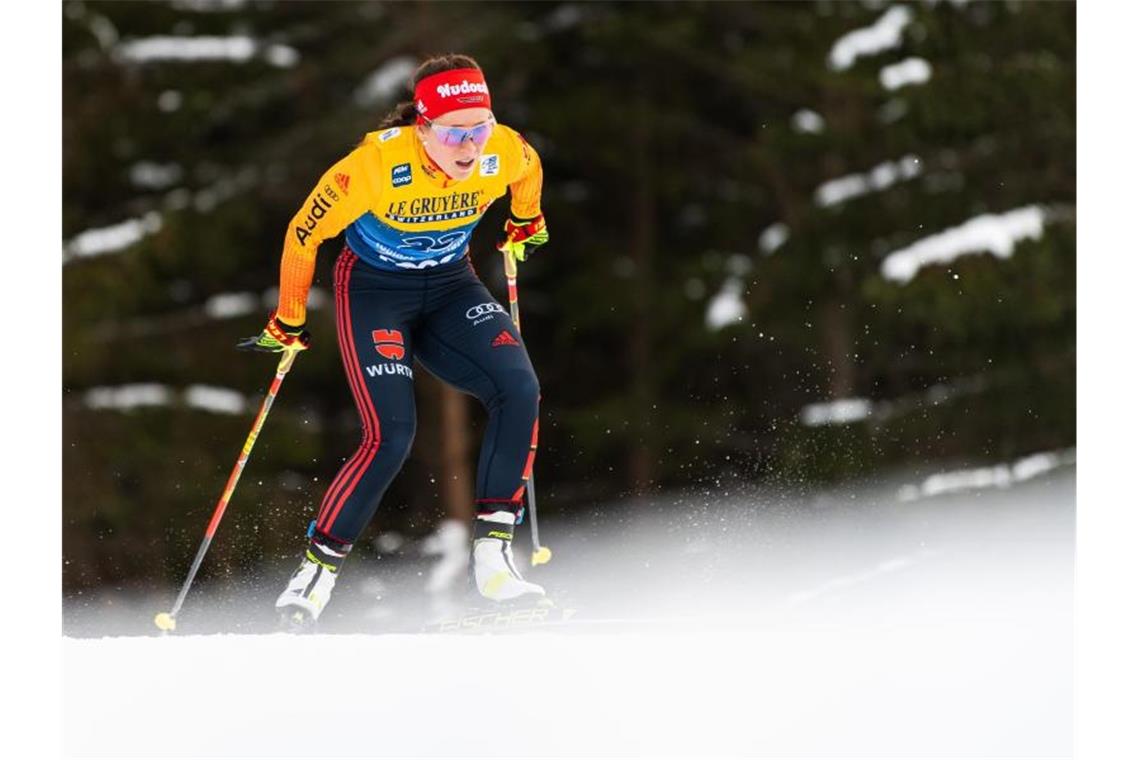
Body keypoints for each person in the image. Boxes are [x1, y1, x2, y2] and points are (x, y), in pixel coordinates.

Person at [238, 54, 550, 628]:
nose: (470, 145)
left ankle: (494, 560)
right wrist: (288, 318)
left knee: (519, 387)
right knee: (392, 434)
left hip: (452, 286)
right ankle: (316, 573)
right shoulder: (374, 166)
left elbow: (526, 168)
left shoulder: (501, 149)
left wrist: (525, 219)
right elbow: (303, 235)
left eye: (479, 127)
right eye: (455, 131)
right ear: (422, 126)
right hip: (375, 291)